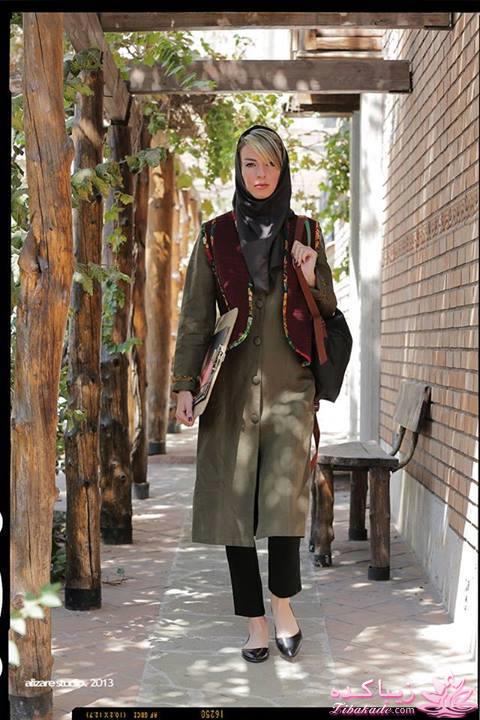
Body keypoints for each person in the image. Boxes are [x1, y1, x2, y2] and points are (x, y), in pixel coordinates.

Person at [171, 124, 337, 663]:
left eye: (269, 164)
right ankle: (254, 621)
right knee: (233, 506)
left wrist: (312, 276)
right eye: (250, 164)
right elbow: (195, 318)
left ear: (282, 170)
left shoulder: (306, 231)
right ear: (238, 171)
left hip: (291, 388)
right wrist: (184, 385)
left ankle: (283, 605)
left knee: (285, 504)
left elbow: (328, 310)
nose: (260, 174)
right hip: (230, 391)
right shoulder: (213, 236)